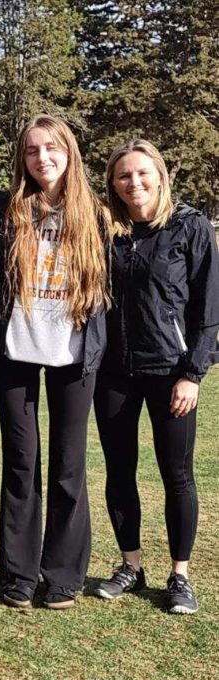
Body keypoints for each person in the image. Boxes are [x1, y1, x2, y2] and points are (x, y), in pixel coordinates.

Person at [0, 116, 112, 610]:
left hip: (74, 356)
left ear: (69, 153)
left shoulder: (97, 215)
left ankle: (61, 573)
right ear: (23, 157)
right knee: (21, 462)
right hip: (16, 350)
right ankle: (18, 571)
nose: (43, 158)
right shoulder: (5, 209)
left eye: (52, 148)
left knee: (67, 466)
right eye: (33, 150)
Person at [93, 139, 219, 615]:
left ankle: (180, 575)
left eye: (143, 173)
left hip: (172, 374)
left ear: (161, 176)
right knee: (119, 471)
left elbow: (209, 311)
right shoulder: (108, 231)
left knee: (177, 474)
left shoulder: (191, 226)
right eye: (123, 176)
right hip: (114, 374)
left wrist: (193, 374)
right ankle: (131, 565)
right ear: (113, 184)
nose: (134, 183)